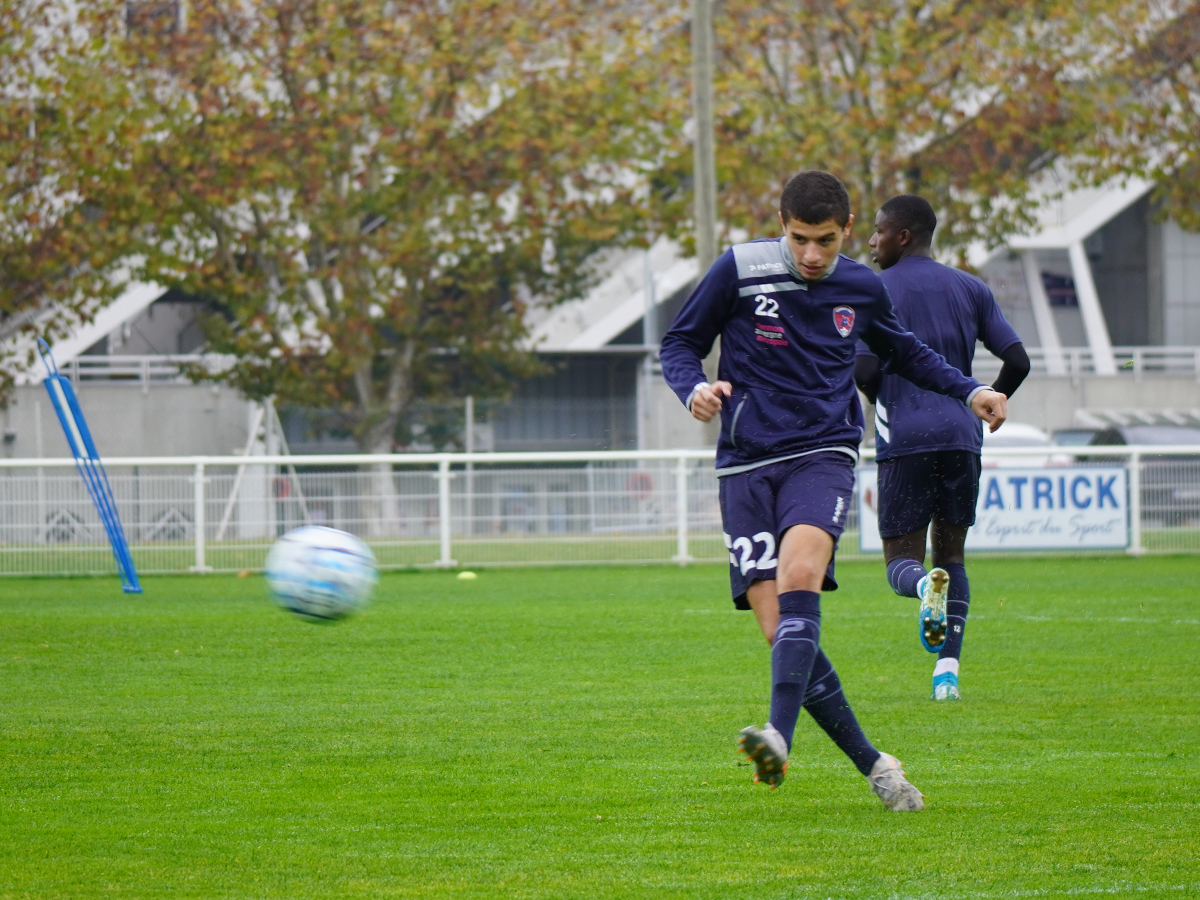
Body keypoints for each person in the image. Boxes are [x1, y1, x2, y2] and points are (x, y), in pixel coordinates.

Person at [659, 171, 1008, 808]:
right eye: (799, 240)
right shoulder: (738, 269)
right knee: (780, 632)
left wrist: (971, 388)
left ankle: (778, 735)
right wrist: (695, 389)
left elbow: (903, 351)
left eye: (824, 241)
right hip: (744, 463)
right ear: (781, 226)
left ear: (847, 231)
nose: (812, 255)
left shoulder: (860, 285)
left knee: (799, 577)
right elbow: (681, 342)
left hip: (822, 452)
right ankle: (877, 766)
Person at [855, 194, 1031, 701]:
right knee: (952, 556)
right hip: (961, 436)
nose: (870, 241)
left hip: (904, 437)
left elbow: (866, 369)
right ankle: (947, 673)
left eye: (878, 230)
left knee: (900, 563)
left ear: (902, 235)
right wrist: (993, 400)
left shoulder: (873, 290)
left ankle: (919, 587)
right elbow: (1017, 361)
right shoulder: (971, 288)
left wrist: (883, 399)